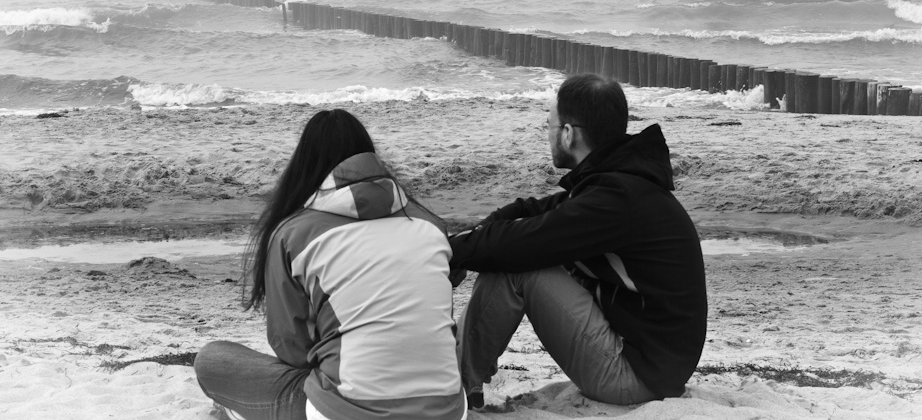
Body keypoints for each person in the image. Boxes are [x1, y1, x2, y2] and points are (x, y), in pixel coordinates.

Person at [449, 74, 707, 410]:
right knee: (515, 248)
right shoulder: (617, 187)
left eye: (549, 126)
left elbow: (523, 242)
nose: (548, 135)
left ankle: (456, 388)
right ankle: (460, 376)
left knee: (518, 267)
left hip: (635, 376)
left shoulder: (616, 200)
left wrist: (446, 252)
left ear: (568, 134)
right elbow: (531, 211)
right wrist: (469, 241)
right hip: (652, 363)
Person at [194, 110, 467, 420]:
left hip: (348, 410)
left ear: (305, 165)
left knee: (211, 360)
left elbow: (292, 349)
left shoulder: (294, 234)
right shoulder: (428, 223)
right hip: (447, 409)